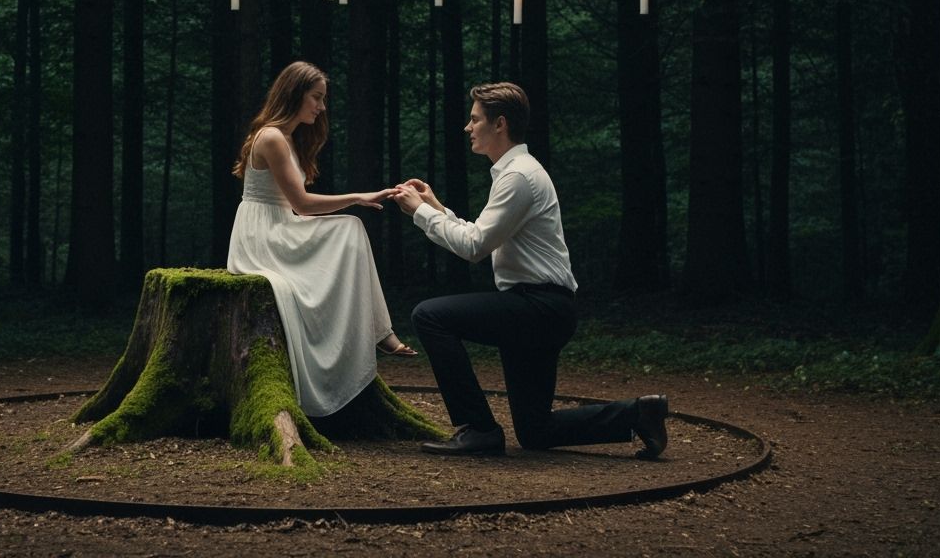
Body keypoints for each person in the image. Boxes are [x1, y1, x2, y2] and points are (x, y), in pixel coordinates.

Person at [391, 82, 668, 457]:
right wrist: (435, 206)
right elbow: (481, 232)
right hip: (541, 309)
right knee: (535, 430)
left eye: (474, 120)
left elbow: (474, 247)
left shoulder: (519, 176)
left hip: (539, 308)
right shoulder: (516, 172)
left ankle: (478, 429)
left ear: (499, 124)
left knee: (430, 316)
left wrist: (419, 212)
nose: (467, 127)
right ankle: (639, 413)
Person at [227, 61, 416, 419]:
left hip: (279, 225)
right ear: (295, 95)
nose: (321, 107)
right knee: (350, 228)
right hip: (263, 235)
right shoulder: (271, 137)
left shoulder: (284, 138)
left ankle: (379, 332)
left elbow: (297, 209)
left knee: (350, 231)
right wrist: (358, 197)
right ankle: (381, 333)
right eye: (316, 98)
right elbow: (302, 204)